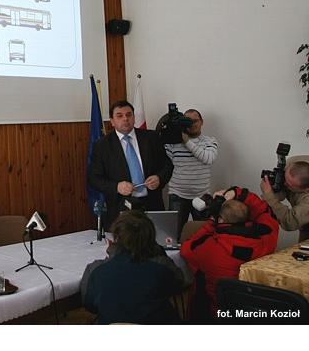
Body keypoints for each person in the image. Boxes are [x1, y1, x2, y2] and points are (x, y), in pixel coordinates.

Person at [180, 186, 279, 322]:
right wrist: (239, 193)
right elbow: (264, 211)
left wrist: (211, 222)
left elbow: (186, 249)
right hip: (252, 311)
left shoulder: (210, 246)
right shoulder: (265, 238)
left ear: (221, 219)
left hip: (218, 312)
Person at [80, 210, 188, 324]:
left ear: (116, 236)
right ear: (151, 238)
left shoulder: (96, 270)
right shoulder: (162, 267)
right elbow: (179, 283)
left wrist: (113, 252)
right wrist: (157, 250)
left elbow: (89, 304)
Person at [88, 100, 174, 228]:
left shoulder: (151, 137)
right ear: (112, 121)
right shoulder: (102, 145)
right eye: (119, 116)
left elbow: (167, 165)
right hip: (121, 208)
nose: (125, 119)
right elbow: (94, 178)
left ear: (134, 117)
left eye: (129, 115)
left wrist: (159, 178)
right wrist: (117, 187)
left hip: (152, 204)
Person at [164, 109, 219, 239]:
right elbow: (166, 163)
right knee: (173, 235)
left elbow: (208, 158)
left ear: (202, 122)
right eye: (188, 121)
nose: (192, 124)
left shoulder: (209, 141)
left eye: (195, 121)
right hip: (177, 194)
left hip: (202, 195)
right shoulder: (173, 143)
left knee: (204, 236)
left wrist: (187, 141)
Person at [260, 160, 309, 242]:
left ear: (306, 190)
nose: (284, 184)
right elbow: (283, 192)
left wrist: (269, 196)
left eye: (289, 185)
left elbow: (290, 222)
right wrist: (275, 186)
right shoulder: (292, 164)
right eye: (285, 179)